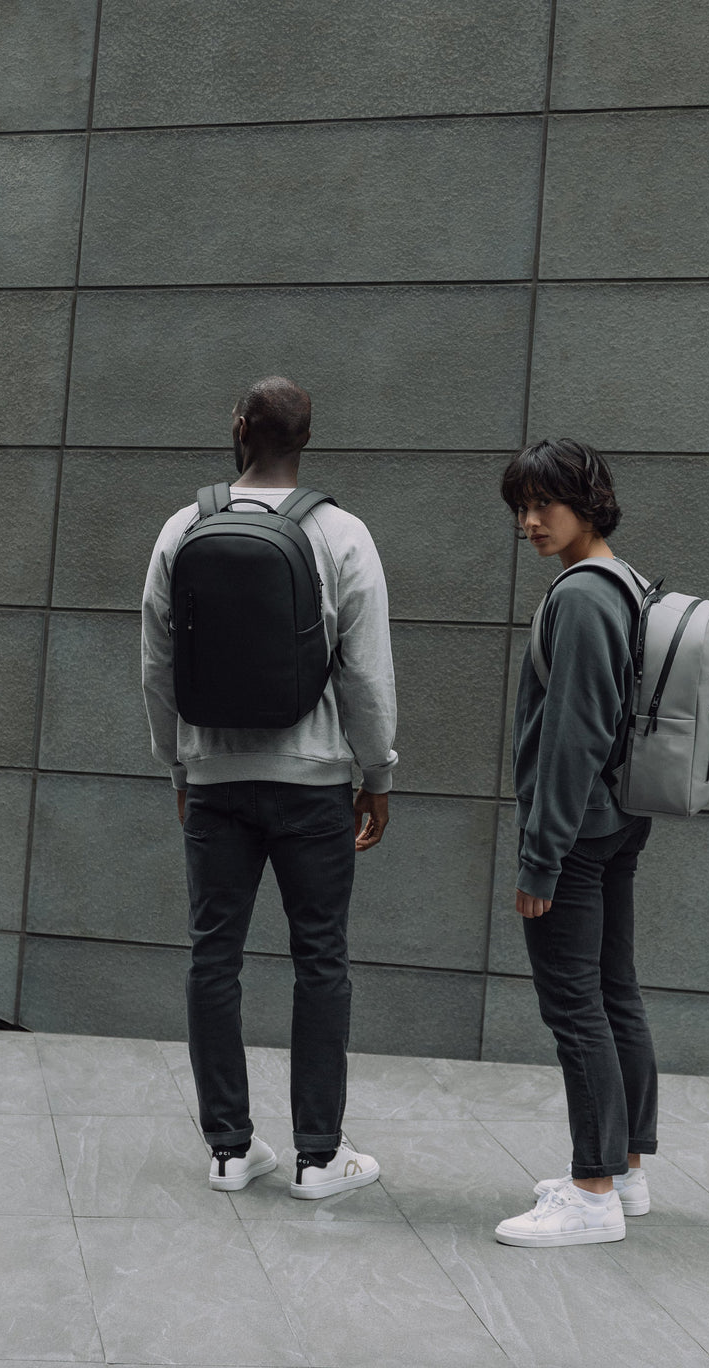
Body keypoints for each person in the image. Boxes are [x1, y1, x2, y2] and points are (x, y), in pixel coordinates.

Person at [141, 376, 397, 1197]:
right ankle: (319, 1158)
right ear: (307, 439)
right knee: (320, 960)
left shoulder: (184, 528)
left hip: (216, 777)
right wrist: (378, 772)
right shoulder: (343, 534)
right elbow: (367, 671)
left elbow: (156, 663)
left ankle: (228, 1149)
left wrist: (178, 761)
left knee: (213, 957)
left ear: (239, 426)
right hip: (315, 781)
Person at [494, 438, 658, 1247]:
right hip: (614, 821)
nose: (529, 522)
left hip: (579, 831)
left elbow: (572, 737)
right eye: (520, 508)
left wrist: (540, 855)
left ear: (587, 503)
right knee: (612, 990)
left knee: (576, 1008)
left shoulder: (585, 598)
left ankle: (592, 1191)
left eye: (543, 505)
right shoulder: (624, 583)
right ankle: (623, 1168)